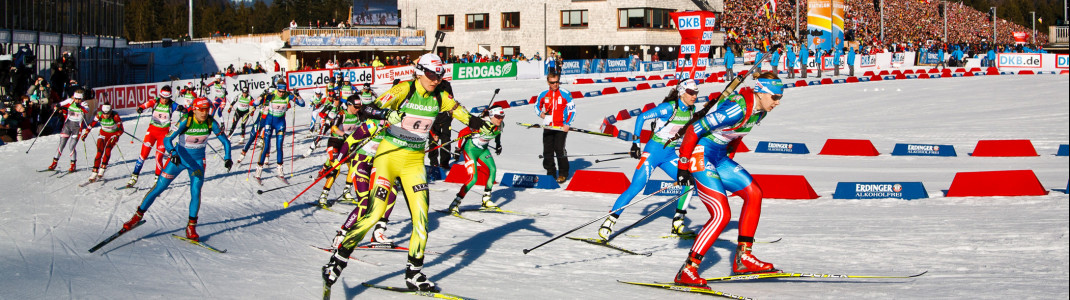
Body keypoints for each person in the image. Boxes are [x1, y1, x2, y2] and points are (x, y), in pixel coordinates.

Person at [322, 53, 493, 292]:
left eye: (440, 75)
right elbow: (368, 110)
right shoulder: (404, 90)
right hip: (388, 158)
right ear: (420, 72)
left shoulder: (440, 97)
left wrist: (481, 124)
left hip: (414, 163)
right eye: (432, 74)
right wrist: (386, 114)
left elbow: (464, 116)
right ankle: (337, 260)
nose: (436, 79)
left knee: (421, 220)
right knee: (373, 214)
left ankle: (414, 273)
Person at [672, 71, 785, 287]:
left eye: (780, 98)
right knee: (722, 214)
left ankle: (743, 258)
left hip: (719, 157)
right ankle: (688, 270)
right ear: (761, 92)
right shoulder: (738, 108)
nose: (777, 102)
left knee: (754, 193)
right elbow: (695, 129)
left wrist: (728, 164)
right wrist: (683, 166)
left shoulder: (760, 112)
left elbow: (734, 136)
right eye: (775, 97)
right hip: (701, 154)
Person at [598, 79, 699, 241]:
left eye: (696, 93)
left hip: (669, 155)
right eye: (691, 93)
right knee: (636, 186)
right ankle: (609, 222)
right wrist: (636, 143)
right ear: (681, 93)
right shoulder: (669, 108)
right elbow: (641, 117)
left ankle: (678, 223)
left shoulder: (692, 110)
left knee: (688, 183)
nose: (694, 96)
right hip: (653, 152)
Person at [119, 98, 233, 242]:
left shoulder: (211, 122)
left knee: (196, 192)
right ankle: (137, 217)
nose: (205, 113)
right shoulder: (186, 120)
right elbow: (167, 139)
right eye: (202, 109)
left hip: (197, 163)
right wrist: (172, 153)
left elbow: (225, 141)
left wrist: (228, 157)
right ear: (195, 109)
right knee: (159, 187)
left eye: (207, 109)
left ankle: (191, 227)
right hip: (178, 160)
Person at [445, 105, 505, 213]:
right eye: (497, 116)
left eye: (502, 116)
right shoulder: (481, 124)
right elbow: (462, 133)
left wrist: (498, 145)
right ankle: (455, 202)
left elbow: (498, 133)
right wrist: (458, 149)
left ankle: (486, 200)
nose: (500, 119)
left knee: (492, 170)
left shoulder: (500, 125)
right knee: (473, 178)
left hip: (483, 150)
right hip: (471, 150)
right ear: (491, 115)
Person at [254, 80, 305, 181]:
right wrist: (262, 95)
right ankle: (259, 170)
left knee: (279, 146)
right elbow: (256, 103)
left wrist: (298, 95)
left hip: (280, 123)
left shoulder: (288, 95)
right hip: (269, 122)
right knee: (266, 145)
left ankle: (280, 170)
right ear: (277, 89)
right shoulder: (271, 95)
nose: (281, 93)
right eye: (280, 91)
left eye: (283, 91)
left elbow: (302, 104)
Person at [129, 86, 178, 187]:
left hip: (163, 134)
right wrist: (140, 108)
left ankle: (157, 180)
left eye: (167, 98)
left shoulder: (172, 105)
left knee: (158, 157)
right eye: (163, 98)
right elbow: (143, 105)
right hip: (151, 132)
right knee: (143, 155)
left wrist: (183, 109)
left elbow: (184, 110)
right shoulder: (155, 102)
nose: (164, 100)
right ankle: (134, 176)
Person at [535, 71, 575, 183]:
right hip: (548, 126)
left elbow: (572, 110)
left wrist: (567, 124)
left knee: (559, 149)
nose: (555, 85)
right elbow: (537, 106)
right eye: (552, 82)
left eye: (557, 82)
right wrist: (541, 114)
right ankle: (550, 173)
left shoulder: (565, 93)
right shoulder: (543, 94)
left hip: (561, 127)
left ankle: (563, 173)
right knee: (547, 151)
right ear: (548, 82)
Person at [47, 89, 90, 172]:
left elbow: (87, 110)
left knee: (71, 146)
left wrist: (80, 107)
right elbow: (59, 104)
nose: (77, 101)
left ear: (82, 98)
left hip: (77, 127)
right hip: (67, 125)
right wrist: (57, 106)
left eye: (79, 99)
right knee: (61, 144)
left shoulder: (84, 104)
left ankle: (73, 165)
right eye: (76, 98)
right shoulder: (70, 101)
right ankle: (54, 163)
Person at [83, 102, 124, 182]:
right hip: (103, 134)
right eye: (104, 113)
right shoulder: (99, 115)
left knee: (108, 149)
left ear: (111, 111)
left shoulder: (115, 116)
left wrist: (117, 135)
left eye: (108, 113)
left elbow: (121, 129)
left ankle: (102, 168)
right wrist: (86, 133)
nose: (106, 115)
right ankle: (94, 172)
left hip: (113, 134)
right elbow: (91, 124)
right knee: (99, 152)